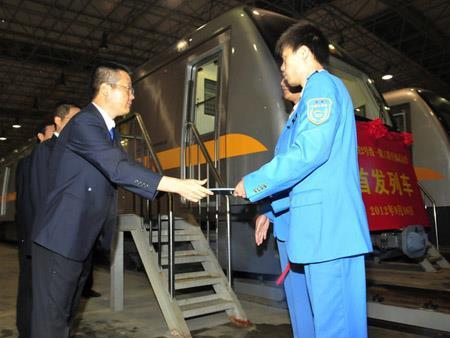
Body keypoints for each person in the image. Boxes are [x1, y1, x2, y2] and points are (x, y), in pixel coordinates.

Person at [30, 62, 213, 338]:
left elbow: (120, 170)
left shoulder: (108, 131)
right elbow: (117, 168)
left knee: (63, 320)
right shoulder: (84, 123)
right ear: (106, 89)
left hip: (76, 240)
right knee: (50, 325)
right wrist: (176, 185)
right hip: (60, 240)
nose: (133, 96)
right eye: (128, 89)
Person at [234, 24, 372, 338]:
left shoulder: (320, 87)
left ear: (305, 53)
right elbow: (305, 176)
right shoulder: (318, 92)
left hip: (328, 232)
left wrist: (256, 181)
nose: (282, 68)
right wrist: (269, 210)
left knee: (334, 327)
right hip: (323, 231)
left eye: (284, 58)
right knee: (332, 324)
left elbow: (308, 152)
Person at [15, 122, 55, 338]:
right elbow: (26, 202)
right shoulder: (27, 163)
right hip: (32, 234)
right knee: (29, 284)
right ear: (40, 136)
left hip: (47, 236)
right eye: (52, 132)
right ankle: (26, 330)